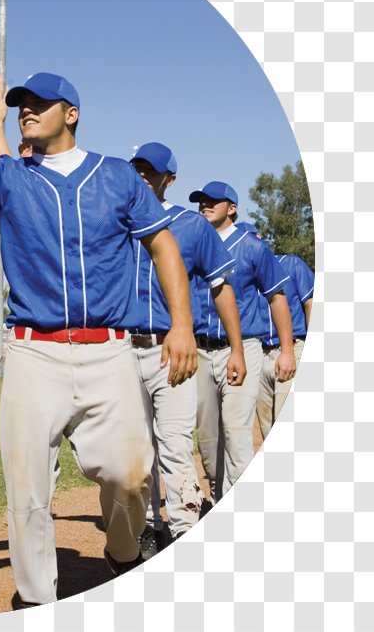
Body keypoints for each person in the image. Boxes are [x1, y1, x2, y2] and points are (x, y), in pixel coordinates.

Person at [0, 65, 197, 608]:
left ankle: (121, 546)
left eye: (41, 102)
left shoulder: (117, 176)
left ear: (71, 114)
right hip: (33, 352)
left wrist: (181, 325)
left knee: (132, 473)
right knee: (27, 491)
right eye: (22, 103)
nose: (27, 109)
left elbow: (164, 248)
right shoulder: (8, 177)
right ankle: (35, 597)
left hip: (109, 350)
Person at [127, 144, 246, 555]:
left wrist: (237, 349)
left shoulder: (192, 226)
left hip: (171, 348)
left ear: (169, 179)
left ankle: (182, 530)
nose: (142, 174)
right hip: (122, 348)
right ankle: (149, 525)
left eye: (151, 169)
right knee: (136, 447)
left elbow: (221, 288)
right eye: (137, 167)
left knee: (175, 444)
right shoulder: (117, 219)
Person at [190, 182, 296, 504]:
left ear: (232, 208)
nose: (205, 205)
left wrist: (288, 351)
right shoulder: (194, 244)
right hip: (199, 350)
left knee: (236, 434)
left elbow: (277, 297)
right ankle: (216, 498)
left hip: (243, 348)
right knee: (208, 441)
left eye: (213, 201)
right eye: (201, 201)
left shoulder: (252, 247)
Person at [233, 224, 314, 438]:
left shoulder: (291, 263)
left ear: (258, 237)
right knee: (266, 424)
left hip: (291, 348)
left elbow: (310, 304)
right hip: (258, 353)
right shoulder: (242, 277)